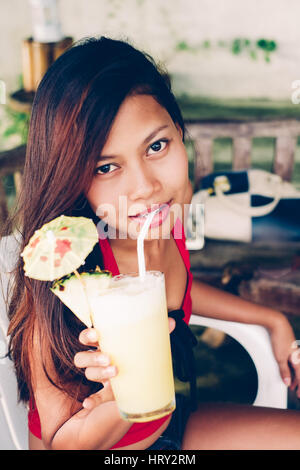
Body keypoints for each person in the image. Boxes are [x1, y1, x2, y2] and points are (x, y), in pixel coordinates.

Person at [3, 35, 300, 451]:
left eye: (157, 146)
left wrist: (271, 319)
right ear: (71, 177)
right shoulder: (71, 277)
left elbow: (178, 288)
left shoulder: (163, 222)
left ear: (180, 133)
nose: (146, 187)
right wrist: (119, 397)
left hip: (170, 426)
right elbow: (58, 446)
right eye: (106, 167)